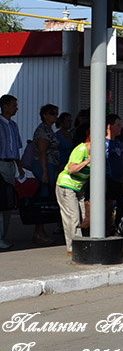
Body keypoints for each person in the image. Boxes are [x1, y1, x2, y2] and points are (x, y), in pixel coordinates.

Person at [55, 130, 91, 256]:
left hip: (79, 188)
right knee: (72, 217)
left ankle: (78, 244)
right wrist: (86, 161)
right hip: (67, 186)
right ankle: (74, 248)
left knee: (82, 216)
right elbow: (71, 169)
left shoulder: (98, 152)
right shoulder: (81, 150)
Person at [31, 104, 60, 245]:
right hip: (44, 166)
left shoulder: (49, 130)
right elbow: (42, 152)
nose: (55, 115)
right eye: (52, 113)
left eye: (56, 113)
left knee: (46, 197)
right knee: (43, 199)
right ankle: (39, 232)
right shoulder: (43, 130)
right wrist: (44, 172)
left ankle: (41, 232)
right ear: (45, 115)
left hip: (50, 166)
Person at [0, 94, 26, 250]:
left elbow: (16, 149)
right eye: (13, 105)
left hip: (10, 166)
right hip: (1, 164)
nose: (16, 108)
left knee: (8, 201)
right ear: (5, 106)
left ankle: (3, 235)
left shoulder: (14, 125)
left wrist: (20, 167)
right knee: (2, 200)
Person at [104, 114, 123, 232]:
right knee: (108, 205)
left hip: (119, 180)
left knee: (121, 206)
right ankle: (107, 228)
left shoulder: (118, 143)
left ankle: (117, 227)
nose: (120, 127)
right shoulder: (104, 143)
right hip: (109, 180)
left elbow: (121, 162)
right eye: (118, 125)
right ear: (109, 126)